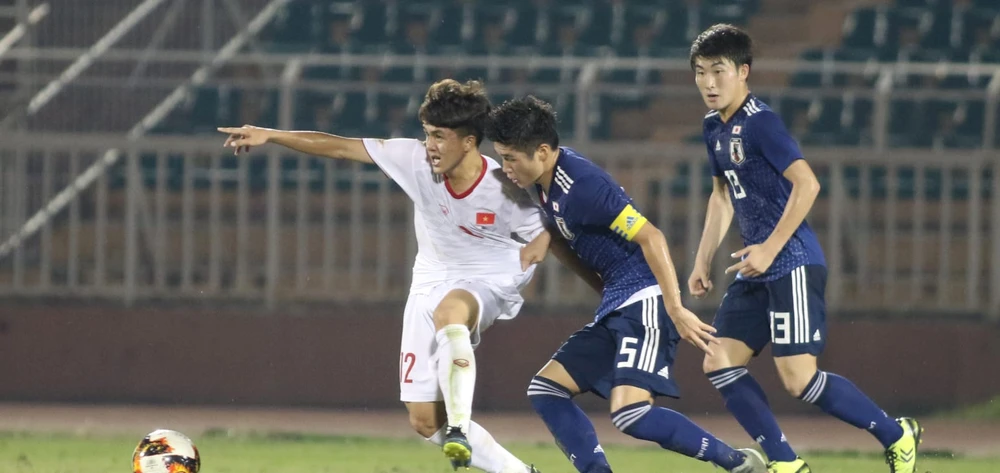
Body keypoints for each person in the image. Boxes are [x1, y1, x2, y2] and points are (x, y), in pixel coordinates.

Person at [218, 79, 541, 473]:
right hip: (429, 279)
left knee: (451, 312)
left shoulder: (503, 187)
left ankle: (459, 424)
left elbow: (552, 227)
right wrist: (271, 135)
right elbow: (341, 147)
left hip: (488, 276)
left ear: (469, 141)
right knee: (424, 421)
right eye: (427, 134)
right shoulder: (415, 159)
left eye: (440, 136)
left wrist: (546, 249)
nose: (430, 145)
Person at [686, 24, 922, 473]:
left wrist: (769, 249)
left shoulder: (760, 122)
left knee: (799, 380)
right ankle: (786, 463)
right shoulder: (712, 126)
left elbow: (808, 184)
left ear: (743, 72)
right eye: (700, 72)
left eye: (718, 71)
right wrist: (702, 260)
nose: (709, 82)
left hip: (790, 261)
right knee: (718, 361)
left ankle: (897, 434)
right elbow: (721, 195)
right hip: (757, 266)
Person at [490, 96, 767, 473]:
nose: (505, 168)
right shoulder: (543, 184)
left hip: (645, 298)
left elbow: (651, 237)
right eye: (501, 157)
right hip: (618, 303)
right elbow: (561, 240)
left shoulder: (583, 185)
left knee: (630, 412)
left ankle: (738, 463)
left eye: (510, 158)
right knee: (546, 390)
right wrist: (586, 275)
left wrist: (674, 308)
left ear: (541, 151)